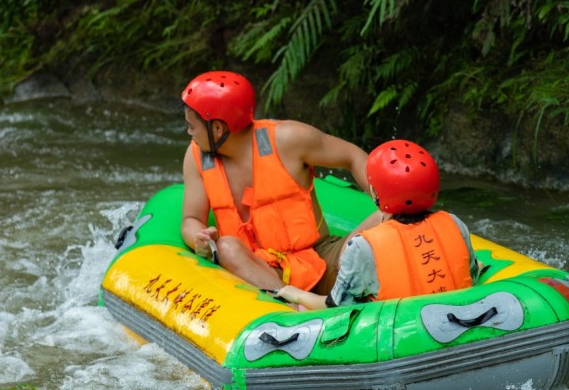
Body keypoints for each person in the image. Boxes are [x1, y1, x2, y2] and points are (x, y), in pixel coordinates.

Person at [179, 70, 371, 295]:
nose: (188, 131)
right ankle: (291, 309)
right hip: (259, 269)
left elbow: (353, 156)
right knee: (227, 247)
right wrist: (199, 238)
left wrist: (383, 199)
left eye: (192, 126)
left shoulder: (287, 139)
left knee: (385, 216)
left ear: (218, 128)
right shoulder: (196, 158)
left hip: (322, 258)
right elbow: (191, 219)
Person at [276, 140, 480, 310]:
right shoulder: (455, 224)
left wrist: (296, 294)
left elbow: (335, 306)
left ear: (375, 193)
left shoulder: (363, 246)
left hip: (399, 333)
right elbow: (470, 275)